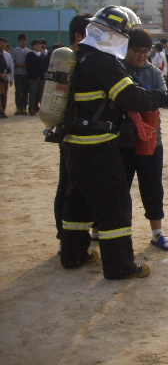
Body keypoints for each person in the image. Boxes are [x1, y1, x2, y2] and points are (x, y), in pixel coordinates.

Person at [60, 5, 168, 279]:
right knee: (115, 204)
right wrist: (165, 97)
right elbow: (130, 97)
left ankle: (72, 254)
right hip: (99, 144)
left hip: (73, 143)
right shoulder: (102, 61)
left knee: (78, 200)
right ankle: (120, 266)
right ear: (117, 35)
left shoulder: (79, 56)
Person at [120, 28, 168, 251]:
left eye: (146, 51)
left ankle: (157, 232)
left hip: (151, 139)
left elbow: (162, 97)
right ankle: (102, 230)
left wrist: (146, 98)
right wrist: (149, 98)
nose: (142, 55)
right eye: (137, 50)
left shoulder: (153, 72)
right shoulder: (116, 69)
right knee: (118, 188)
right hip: (121, 141)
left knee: (152, 186)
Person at [52, 13, 93, 247]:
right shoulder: (73, 60)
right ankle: (64, 237)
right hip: (73, 132)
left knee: (72, 184)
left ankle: (73, 236)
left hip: (73, 131)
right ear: (78, 35)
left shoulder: (76, 58)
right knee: (68, 184)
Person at [25, 39, 49, 115]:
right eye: (36, 45)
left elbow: (46, 67)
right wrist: (35, 76)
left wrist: (42, 76)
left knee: (42, 94)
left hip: (42, 79)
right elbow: (28, 67)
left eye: (39, 44)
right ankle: (31, 109)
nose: (38, 46)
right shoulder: (30, 55)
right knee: (33, 94)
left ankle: (42, 110)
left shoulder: (43, 56)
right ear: (33, 46)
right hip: (33, 79)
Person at [11, 33, 30, 115]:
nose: (23, 42)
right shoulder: (15, 51)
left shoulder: (29, 51)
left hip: (26, 74)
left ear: (26, 41)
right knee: (18, 91)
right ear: (19, 41)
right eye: (21, 41)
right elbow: (12, 62)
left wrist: (26, 65)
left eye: (24, 40)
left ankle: (24, 107)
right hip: (18, 73)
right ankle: (18, 108)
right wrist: (18, 65)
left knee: (25, 91)